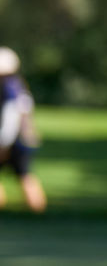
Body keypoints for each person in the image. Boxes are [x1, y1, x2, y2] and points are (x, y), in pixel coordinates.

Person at [0, 46, 47, 213]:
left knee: (25, 177)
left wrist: (3, 144)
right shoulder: (19, 85)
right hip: (23, 140)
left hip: (11, 141)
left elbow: (9, 119)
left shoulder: (6, 88)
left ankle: (36, 211)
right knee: (26, 176)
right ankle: (38, 214)